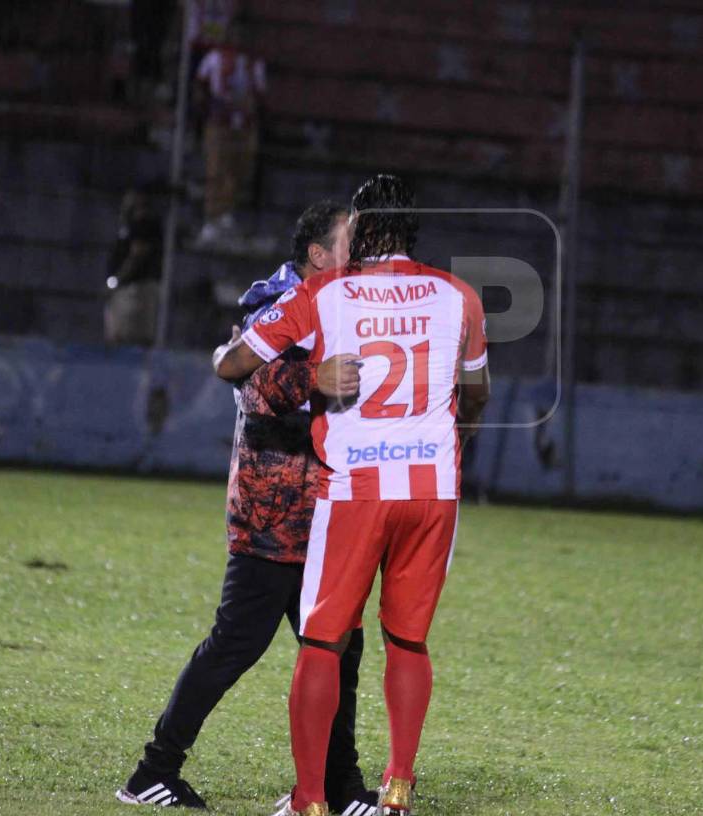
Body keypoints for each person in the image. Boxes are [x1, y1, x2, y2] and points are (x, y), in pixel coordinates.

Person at [213, 175, 492, 816]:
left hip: (357, 489)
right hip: (434, 492)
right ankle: (396, 790)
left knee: (321, 641)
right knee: (410, 640)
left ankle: (310, 800)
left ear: (362, 224)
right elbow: (475, 395)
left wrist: (299, 372)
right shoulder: (460, 296)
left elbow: (233, 364)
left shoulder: (324, 292)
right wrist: (454, 446)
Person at [116, 202, 378, 815]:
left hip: (323, 510)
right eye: (348, 242)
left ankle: (340, 789)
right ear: (318, 255)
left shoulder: (340, 303)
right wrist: (316, 379)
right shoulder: (281, 302)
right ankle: (151, 773)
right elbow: (251, 385)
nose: (359, 254)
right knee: (236, 645)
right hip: (274, 513)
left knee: (340, 651)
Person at [192, 20, 265, 246]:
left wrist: (245, 111)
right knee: (216, 170)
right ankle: (212, 219)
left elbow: (258, 96)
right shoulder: (213, 58)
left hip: (243, 125)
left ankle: (228, 217)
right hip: (219, 123)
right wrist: (209, 112)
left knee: (238, 172)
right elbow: (200, 88)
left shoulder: (254, 63)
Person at [104, 189, 164, 346]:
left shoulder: (144, 225)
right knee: (116, 337)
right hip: (125, 289)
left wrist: (119, 278)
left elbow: (138, 253)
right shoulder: (128, 226)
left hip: (135, 290)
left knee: (131, 339)